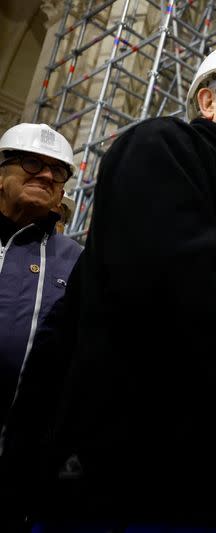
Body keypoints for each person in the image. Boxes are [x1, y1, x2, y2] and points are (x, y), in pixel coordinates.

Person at [5, 42, 216, 531]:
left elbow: (63, 325)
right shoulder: (161, 146)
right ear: (207, 102)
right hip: (141, 487)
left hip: (186, 481)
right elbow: (184, 289)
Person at [0, 122, 82, 532]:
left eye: (58, 171)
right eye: (33, 163)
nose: (47, 176)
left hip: (23, 462)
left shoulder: (78, 261)